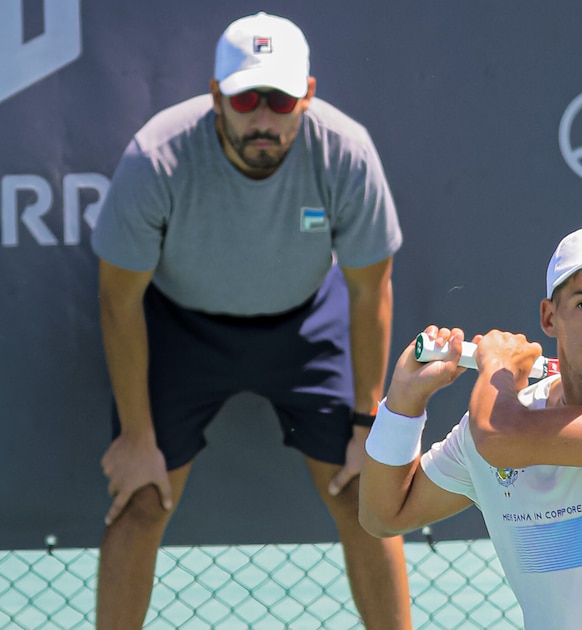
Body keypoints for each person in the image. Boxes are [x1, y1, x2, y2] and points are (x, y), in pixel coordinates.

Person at [90, 12, 411, 629]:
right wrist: (136, 439)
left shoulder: (345, 151)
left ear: (307, 97)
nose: (263, 118)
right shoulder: (156, 157)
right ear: (216, 97)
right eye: (245, 98)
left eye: (281, 99)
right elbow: (117, 300)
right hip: (178, 331)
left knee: (363, 493)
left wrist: (367, 425)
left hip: (308, 327)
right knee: (140, 500)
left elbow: (371, 290)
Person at [359, 224, 582, 629]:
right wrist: (403, 404)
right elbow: (383, 514)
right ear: (550, 316)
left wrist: (498, 368)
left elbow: (502, 439)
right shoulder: (497, 417)